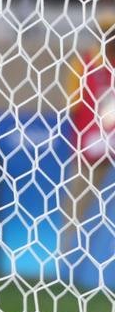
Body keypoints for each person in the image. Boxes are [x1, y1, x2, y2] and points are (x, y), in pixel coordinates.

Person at [61, 15, 115, 256]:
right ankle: (67, 255)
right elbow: (73, 105)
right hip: (91, 145)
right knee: (79, 201)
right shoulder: (83, 64)